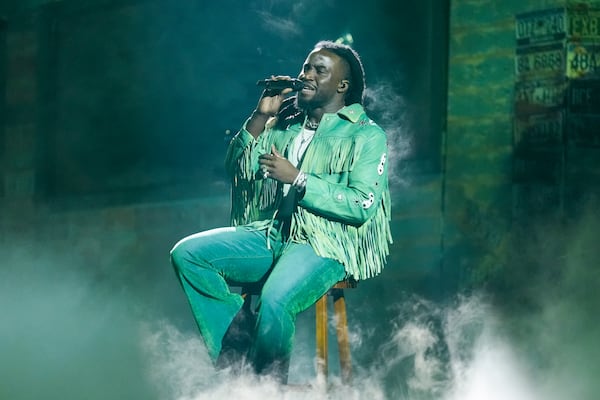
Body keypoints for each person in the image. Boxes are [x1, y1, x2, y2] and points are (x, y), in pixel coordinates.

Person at [170, 40, 392, 382]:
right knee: (189, 255)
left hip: (324, 244)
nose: (306, 75)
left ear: (342, 86)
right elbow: (237, 169)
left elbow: (361, 204)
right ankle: (241, 356)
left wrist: (300, 179)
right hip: (272, 234)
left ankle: (266, 388)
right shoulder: (285, 126)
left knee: (274, 300)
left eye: (320, 70)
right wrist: (261, 116)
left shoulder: (365, 135)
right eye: (306, 68)